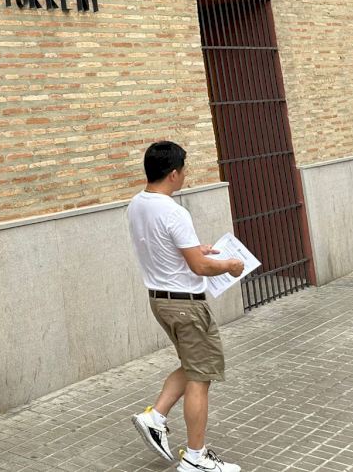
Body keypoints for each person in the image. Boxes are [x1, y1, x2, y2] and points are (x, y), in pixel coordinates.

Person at [128, 141, 245, 472]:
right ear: (173, 173)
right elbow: (200, 267)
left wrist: (196, 248)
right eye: (184, 170)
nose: (185, 176)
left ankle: (155, 416)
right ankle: (196, 458)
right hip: (186, 305)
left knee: (193, 365)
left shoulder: (136, 205)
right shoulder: (174, 211)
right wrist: (230, 265)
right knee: (201, 375)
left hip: (161, 300)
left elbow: (164, 248)